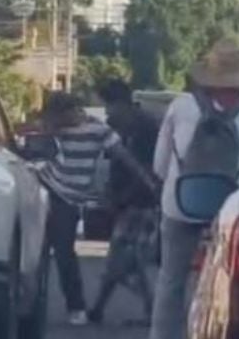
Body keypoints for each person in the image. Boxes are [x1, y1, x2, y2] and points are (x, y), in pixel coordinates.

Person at [150, 39, 239, 339]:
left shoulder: (181, 106)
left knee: (171, 279)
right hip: (234, 212)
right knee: (233, 280)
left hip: (180, 205)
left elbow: (158, 164)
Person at [38, 91, 158, 327]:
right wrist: (47, 131)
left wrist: (149, 181)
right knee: (38, 251)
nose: (57, 123)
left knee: (63, 253)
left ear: (72, 111)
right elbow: (43, 150)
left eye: (59, 117)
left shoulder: (98, 131)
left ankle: (76, 306)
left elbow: (125, 158)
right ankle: (33, 301)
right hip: (45, 187)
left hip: (70, 198)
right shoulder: (54, 130)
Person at [88, 79, 160, 326]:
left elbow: (148, 170)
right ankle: (98, 308)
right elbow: (116, 164)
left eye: (108, 106)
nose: (107, 112)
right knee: (121, 256)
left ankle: (153, 308)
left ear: (122, 104)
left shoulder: (147, 128)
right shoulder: (122, 127)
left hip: (142, 202)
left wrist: (123, 198)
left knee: (127, 259)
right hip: (127, 202)